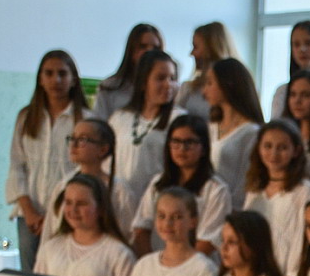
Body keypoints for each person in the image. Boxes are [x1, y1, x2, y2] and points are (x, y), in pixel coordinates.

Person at [1, 49, 86, 276]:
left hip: (67, 217)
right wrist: (30, 209)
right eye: (49, 73)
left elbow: (83, 170)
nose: (56, 80)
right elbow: (17, 166)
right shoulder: (27, 117)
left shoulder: (83, 117)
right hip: (30, 216)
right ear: (40, 77)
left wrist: (55, 213)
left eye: (62, 73)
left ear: (73, 78)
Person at [130, 114, 230, 257]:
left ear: (203, 148)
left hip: (197, 263)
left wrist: (180, 266)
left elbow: (209, 240)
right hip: (158, 261)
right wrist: (153, 263)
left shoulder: (216, 189)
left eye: (189, 142)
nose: (182, 149)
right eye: (176, 142)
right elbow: (141, 227)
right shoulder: (158, 182)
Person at [108, 49, 185, 211]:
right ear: (143, 82)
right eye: (160, 78)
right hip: (119, 205)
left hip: (158, 206)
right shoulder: (120, 117)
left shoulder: (179, 119)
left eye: (172, 78)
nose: (168, 84)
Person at [241, 119, 310, 276]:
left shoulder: (304, 190)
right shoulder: (255, 189)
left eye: (282, 147)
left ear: (296, 151)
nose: (274, 154)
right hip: (255, 273)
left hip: (285, 274)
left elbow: (301, 239)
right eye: (268, 146)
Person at [42, 118, 135, 242]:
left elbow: (128, 235)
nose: (74, 144)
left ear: (103, 149)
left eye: (83, 139)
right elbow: (49, 231)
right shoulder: (63, 185)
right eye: (72, 138)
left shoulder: (119, 190)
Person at [203, 57, 264, 206]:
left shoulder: (251, 132)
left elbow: (245, 181)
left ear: (227, 84)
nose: (204, 91)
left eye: (210, 83)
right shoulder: (211, 127)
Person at [93, 23, 162, 120]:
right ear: (131, 51)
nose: (149, 52)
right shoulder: (110, 87)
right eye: (143, 46)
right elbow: (98, 124)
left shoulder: (166, 88)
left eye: (155, 48)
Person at [178, 21, 238, 119]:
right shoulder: (189, 88)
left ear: (211, 49)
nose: (191, 53)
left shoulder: (237, 90)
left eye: (195, 47)